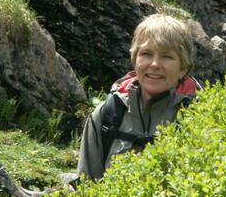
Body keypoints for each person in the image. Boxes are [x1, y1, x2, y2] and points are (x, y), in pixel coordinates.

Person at [76, 13, 200, 180]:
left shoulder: (197, 118)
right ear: (135, 61)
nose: (155, 64)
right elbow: (84, 189)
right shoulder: (107, 115)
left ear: (183, 68)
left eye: (167, 56)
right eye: (146, 54)